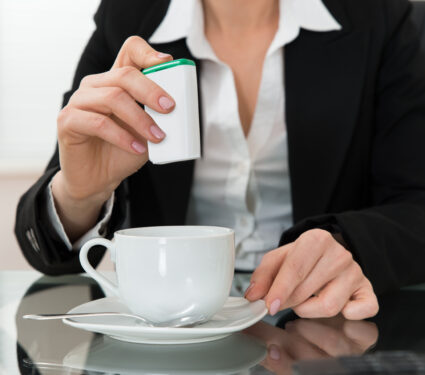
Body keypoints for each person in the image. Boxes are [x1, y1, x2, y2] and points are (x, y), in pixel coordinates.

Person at [15, 0, 425, 320]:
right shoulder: (128, 17)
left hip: (322, 321)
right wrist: (81, 194)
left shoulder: (378, 17)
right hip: (171, 327)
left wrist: (348, 244)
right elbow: (48, 255)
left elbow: (416, 203)